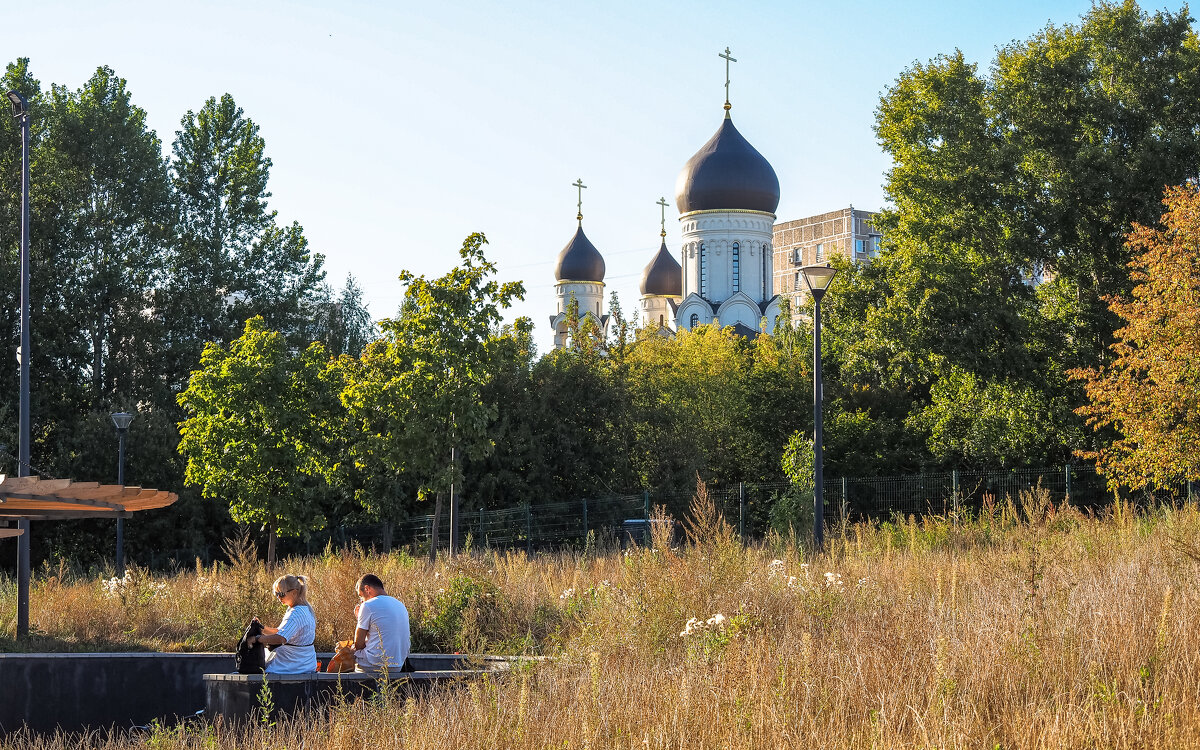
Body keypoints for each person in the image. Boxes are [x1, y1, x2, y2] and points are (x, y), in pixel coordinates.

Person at [250, 574, 318, 674]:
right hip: (302, 663)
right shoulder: (301, 608)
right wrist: (262, 628)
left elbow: (281, 638)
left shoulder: (297, 613)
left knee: (255, 668)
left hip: (292, 665)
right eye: (276, 594)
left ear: (294, 592)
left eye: (281, 594)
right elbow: (281, 632)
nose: (278, 597)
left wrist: (256, 639)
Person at [352, 573, 411, 675]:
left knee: (349, 656)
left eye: (361, 596)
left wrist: (360, 618)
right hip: (398, 665)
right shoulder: (400, 604)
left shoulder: (367, 605)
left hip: (374, 665)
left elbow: (358, 644)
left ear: (367, 589)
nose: (361, 600)